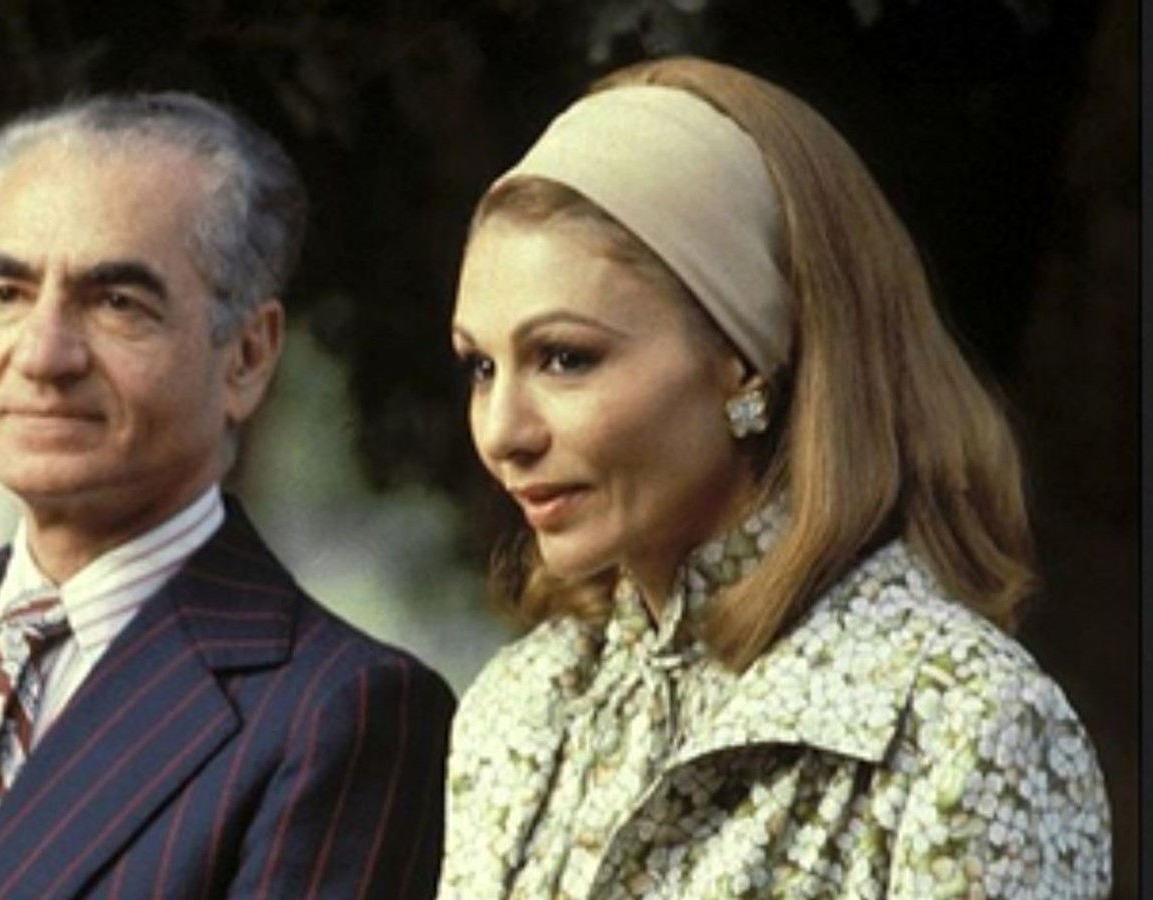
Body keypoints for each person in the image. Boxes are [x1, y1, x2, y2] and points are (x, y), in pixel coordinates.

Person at [0, 92, 455, 899]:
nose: (42, 354)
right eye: (7, 293)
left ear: (246, 356)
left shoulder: (338, 715)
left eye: (115, 303)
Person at [440, 56, 1111, 898]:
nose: (503, 432)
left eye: (565, 358)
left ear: (745, 359)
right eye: (481, 367)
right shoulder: (518, 707)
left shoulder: (965, 725)